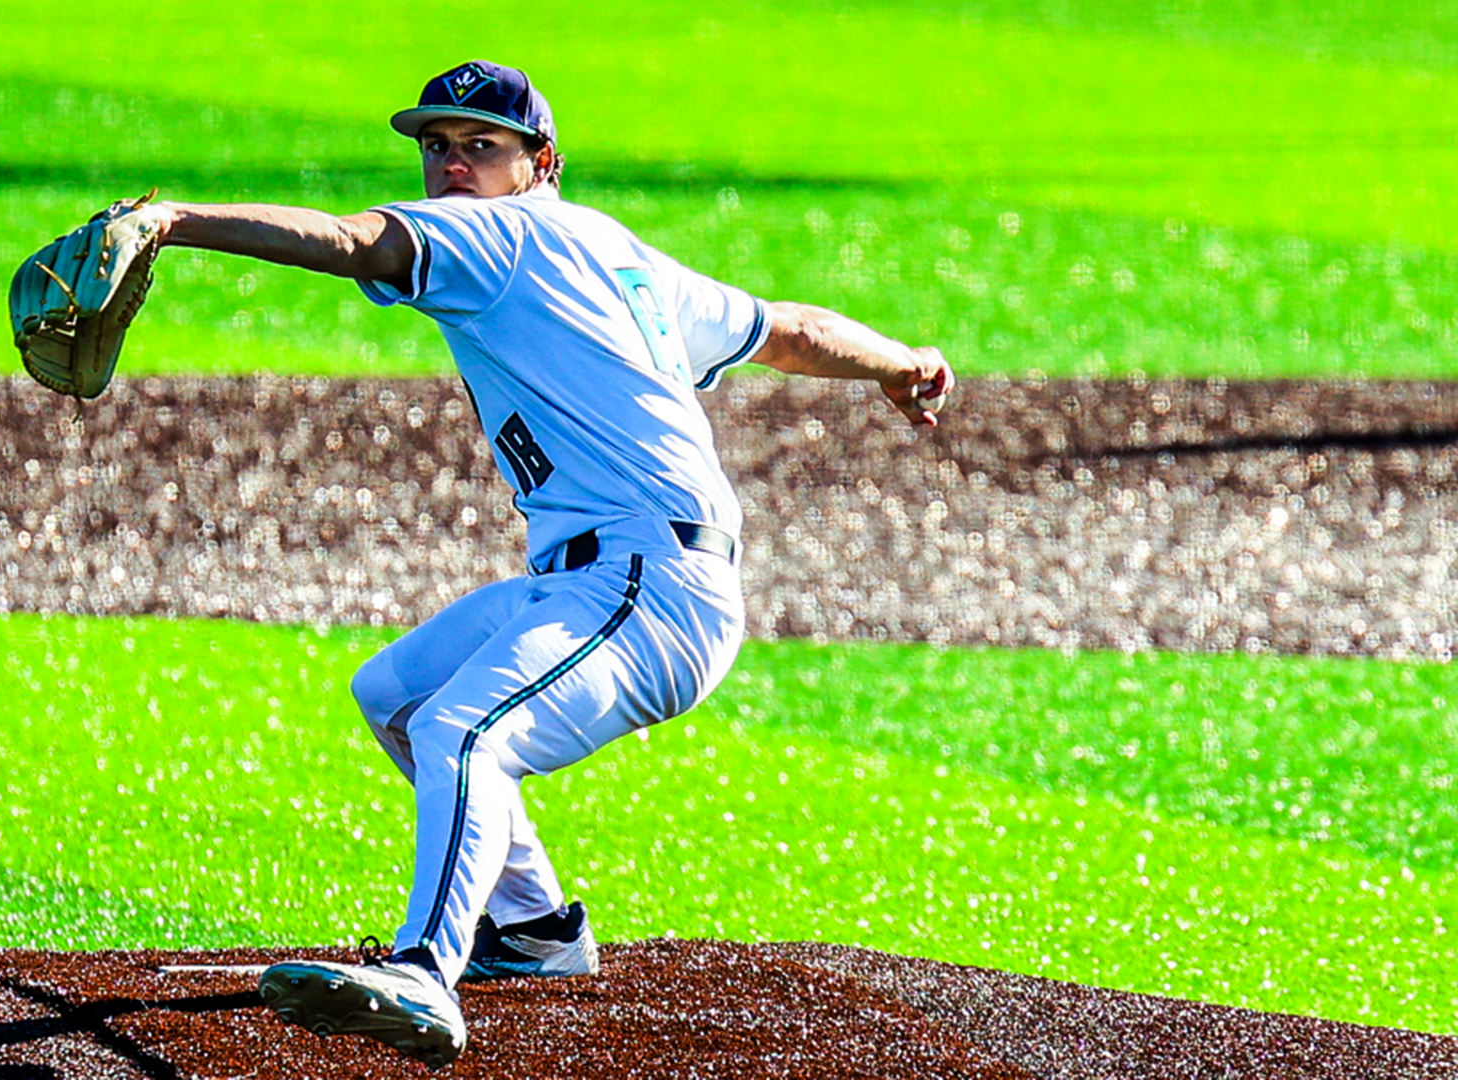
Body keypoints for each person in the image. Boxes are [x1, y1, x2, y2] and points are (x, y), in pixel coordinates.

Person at [140, 60, 953, 1069]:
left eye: (481, 146)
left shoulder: (504, 235)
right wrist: (905, 363)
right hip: (605, 579)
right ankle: (531, 929)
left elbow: (351, 242)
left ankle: (425, 973)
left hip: (649, 587)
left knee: (463, 730)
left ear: (541, 163)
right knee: (395, 693)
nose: (452, 166)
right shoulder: (618, 254)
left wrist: (174, 221)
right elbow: (786, 331)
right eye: (436, 146)